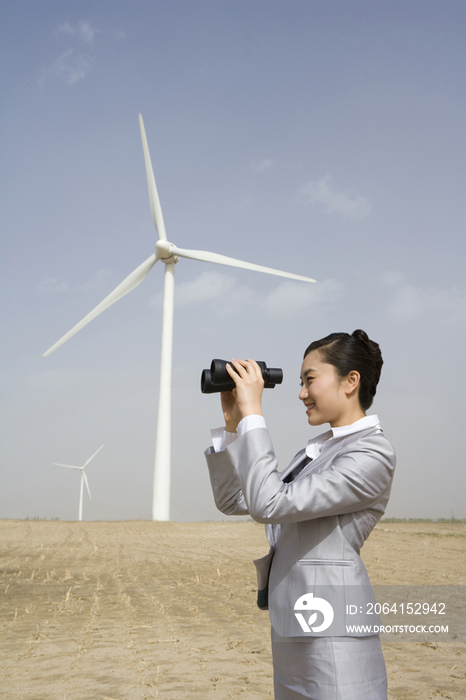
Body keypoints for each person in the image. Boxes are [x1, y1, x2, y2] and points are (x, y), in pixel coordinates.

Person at [204, 330, 396, 700]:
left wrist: (254, 417)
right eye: (299, 382)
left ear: (350, 381)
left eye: (310, 380)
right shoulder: (317, 454)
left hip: (335, 642)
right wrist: (233, 425)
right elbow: (233, 499)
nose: (301, 393)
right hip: (295, 632)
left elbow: (269, 504)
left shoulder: (372, 453)